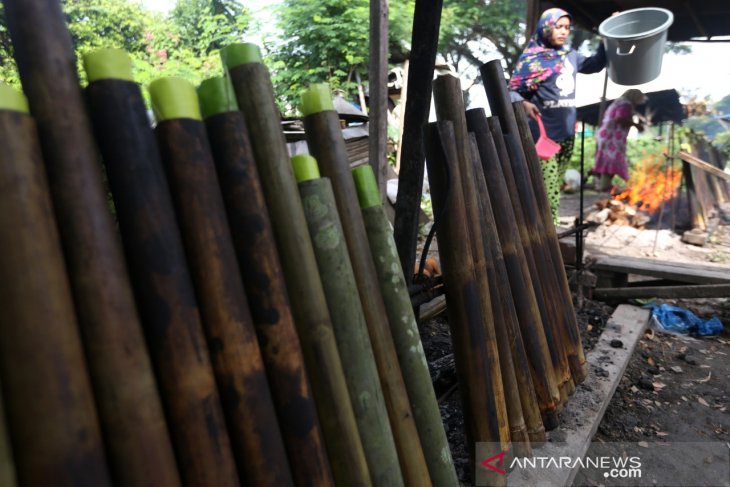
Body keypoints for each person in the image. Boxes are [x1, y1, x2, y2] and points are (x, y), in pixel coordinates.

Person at [509, 7, 606, 225]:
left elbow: (596, 64)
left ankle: (539, 227)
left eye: (567, 28)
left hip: (567, 134)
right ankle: (547, 232)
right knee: (548, 189)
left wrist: (606, 38)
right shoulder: (531, 59)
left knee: (553, 186)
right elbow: (511, 90)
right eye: (558, 26)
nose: (563, 32)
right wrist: (523, 103)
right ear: (545, 27)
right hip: (543, 136)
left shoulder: (571, 56)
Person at [592, 89, 648, 191]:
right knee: (612, 160)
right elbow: (619, 118)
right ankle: (605, 186)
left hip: (605, 136)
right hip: (612, 137)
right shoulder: (626, 105)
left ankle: (604, 184)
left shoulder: (618, 102)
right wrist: (636, 125)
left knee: (607, 160)